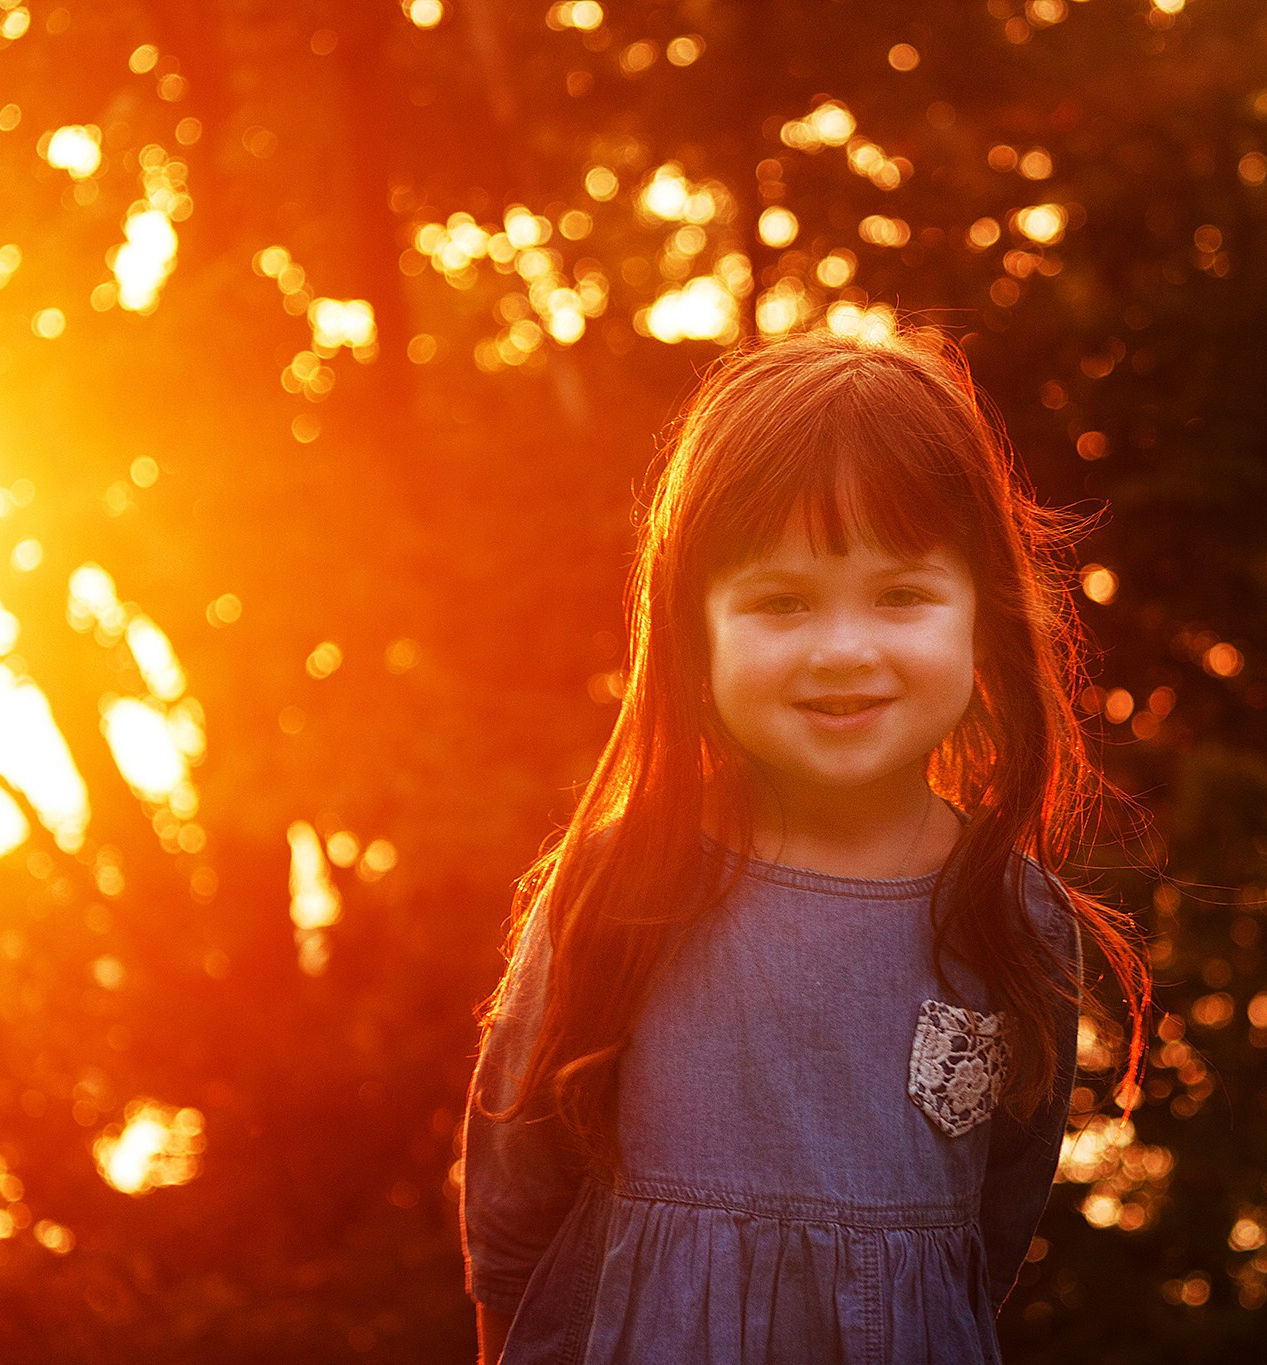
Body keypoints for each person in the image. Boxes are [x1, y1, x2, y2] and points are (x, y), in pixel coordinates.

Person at [459, 324, 1152, 1364]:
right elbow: (510, 1214)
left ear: (982, 616)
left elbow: (989, 1236)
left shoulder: (1011, 920)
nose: (842, 649)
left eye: (901, 595)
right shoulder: (624, 883)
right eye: (780, 602)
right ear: (696, 631)